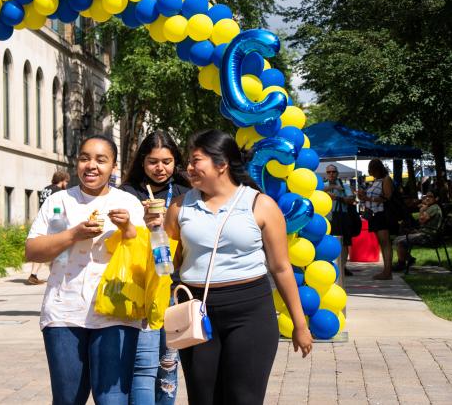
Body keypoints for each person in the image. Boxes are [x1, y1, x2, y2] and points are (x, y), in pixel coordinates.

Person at [164, 130, 312, 404]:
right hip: (196, 310)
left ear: (221, 164)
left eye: (196, 161)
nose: (189, 168)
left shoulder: (261, 204)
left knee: (243, 398)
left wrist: (300, 324)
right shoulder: (179, 207)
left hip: (251, 312)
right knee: (203, 398)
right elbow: (167, 262)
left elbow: (281, 268)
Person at [25, 134, 145, 405]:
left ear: (114, 166)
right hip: (64, 313)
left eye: (101, 160)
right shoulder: (59, 201)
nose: (91, 166)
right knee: (68, 399)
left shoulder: (128, 204)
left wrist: (128, 228)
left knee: (112, 399)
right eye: (84, 158)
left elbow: (145, 256)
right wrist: (73, 234)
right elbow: (33, 251)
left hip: (117, 313)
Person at [120, 131, 191, 405]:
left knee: (168, 362)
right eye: (153, 162)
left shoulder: (185, 193)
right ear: (141, 162)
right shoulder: (126, 194)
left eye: (167, 161)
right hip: (136, 286)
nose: (160, 168)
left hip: (172, 288)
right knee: (139, 363)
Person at [356, 159, 397, 280]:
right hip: (374, 215)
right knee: (382, 244)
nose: (370, 172)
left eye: (371, 170)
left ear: (378, 169)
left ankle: (388, 271)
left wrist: (368, 198)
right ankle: (386, 270)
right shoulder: (375, 181)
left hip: (382, 215)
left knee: (385, 243)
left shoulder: (386, 179)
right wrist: (362, 196)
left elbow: (387, 197)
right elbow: (370, 198)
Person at [28, 170, 70, 285]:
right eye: (66, 181)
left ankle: (33, 274)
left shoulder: (46, 188)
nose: (66, 184)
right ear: (62, 180)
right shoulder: (59, 192)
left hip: (43, 220)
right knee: (52, 249)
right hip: (54, 223)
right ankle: (51, 273)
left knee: (42, 249)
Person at [393, 191, 443, 271]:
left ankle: (401, 264)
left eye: (430, 196)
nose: (427, 198)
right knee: (399, 238)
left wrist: (422, 210)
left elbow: (421, 220)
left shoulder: (434, 207)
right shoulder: (432, 207)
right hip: (425, 233)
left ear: (436, 198)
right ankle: (409, 259)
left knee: (400, 241)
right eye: (426, 196)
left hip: (427, 236)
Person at [323, 165, 357, 276]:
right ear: (326, 174)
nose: (331, 174)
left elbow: (351, 200)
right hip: (328, 218)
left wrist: (337, 197)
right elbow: (318, 190)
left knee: (343, 243)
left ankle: (342, 266)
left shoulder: (344, 185)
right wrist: (333, 189)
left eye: (333, 171)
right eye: (329, 172)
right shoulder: (324, 185)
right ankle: (330, 266)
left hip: (342, 217)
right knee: (328, 243)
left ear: (337, 173)